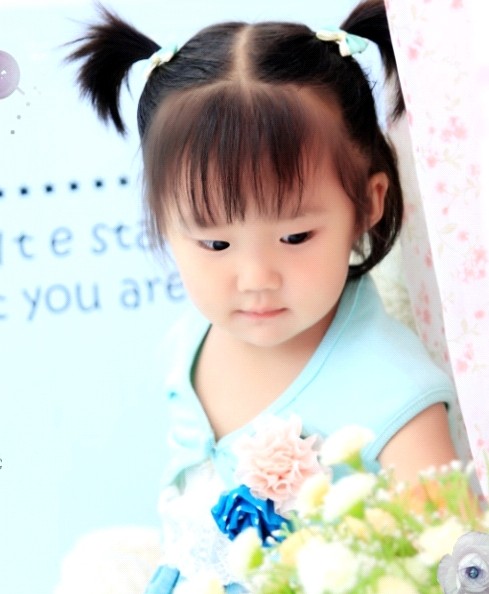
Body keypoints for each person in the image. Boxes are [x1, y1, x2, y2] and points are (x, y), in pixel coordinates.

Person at [67, 0, 458, 591]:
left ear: (368, 203)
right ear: (166, 223)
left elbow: (449, 566)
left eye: (295, 237)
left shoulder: (397, 396)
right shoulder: (188, 343)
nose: (255, 278)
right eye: (215, 243)